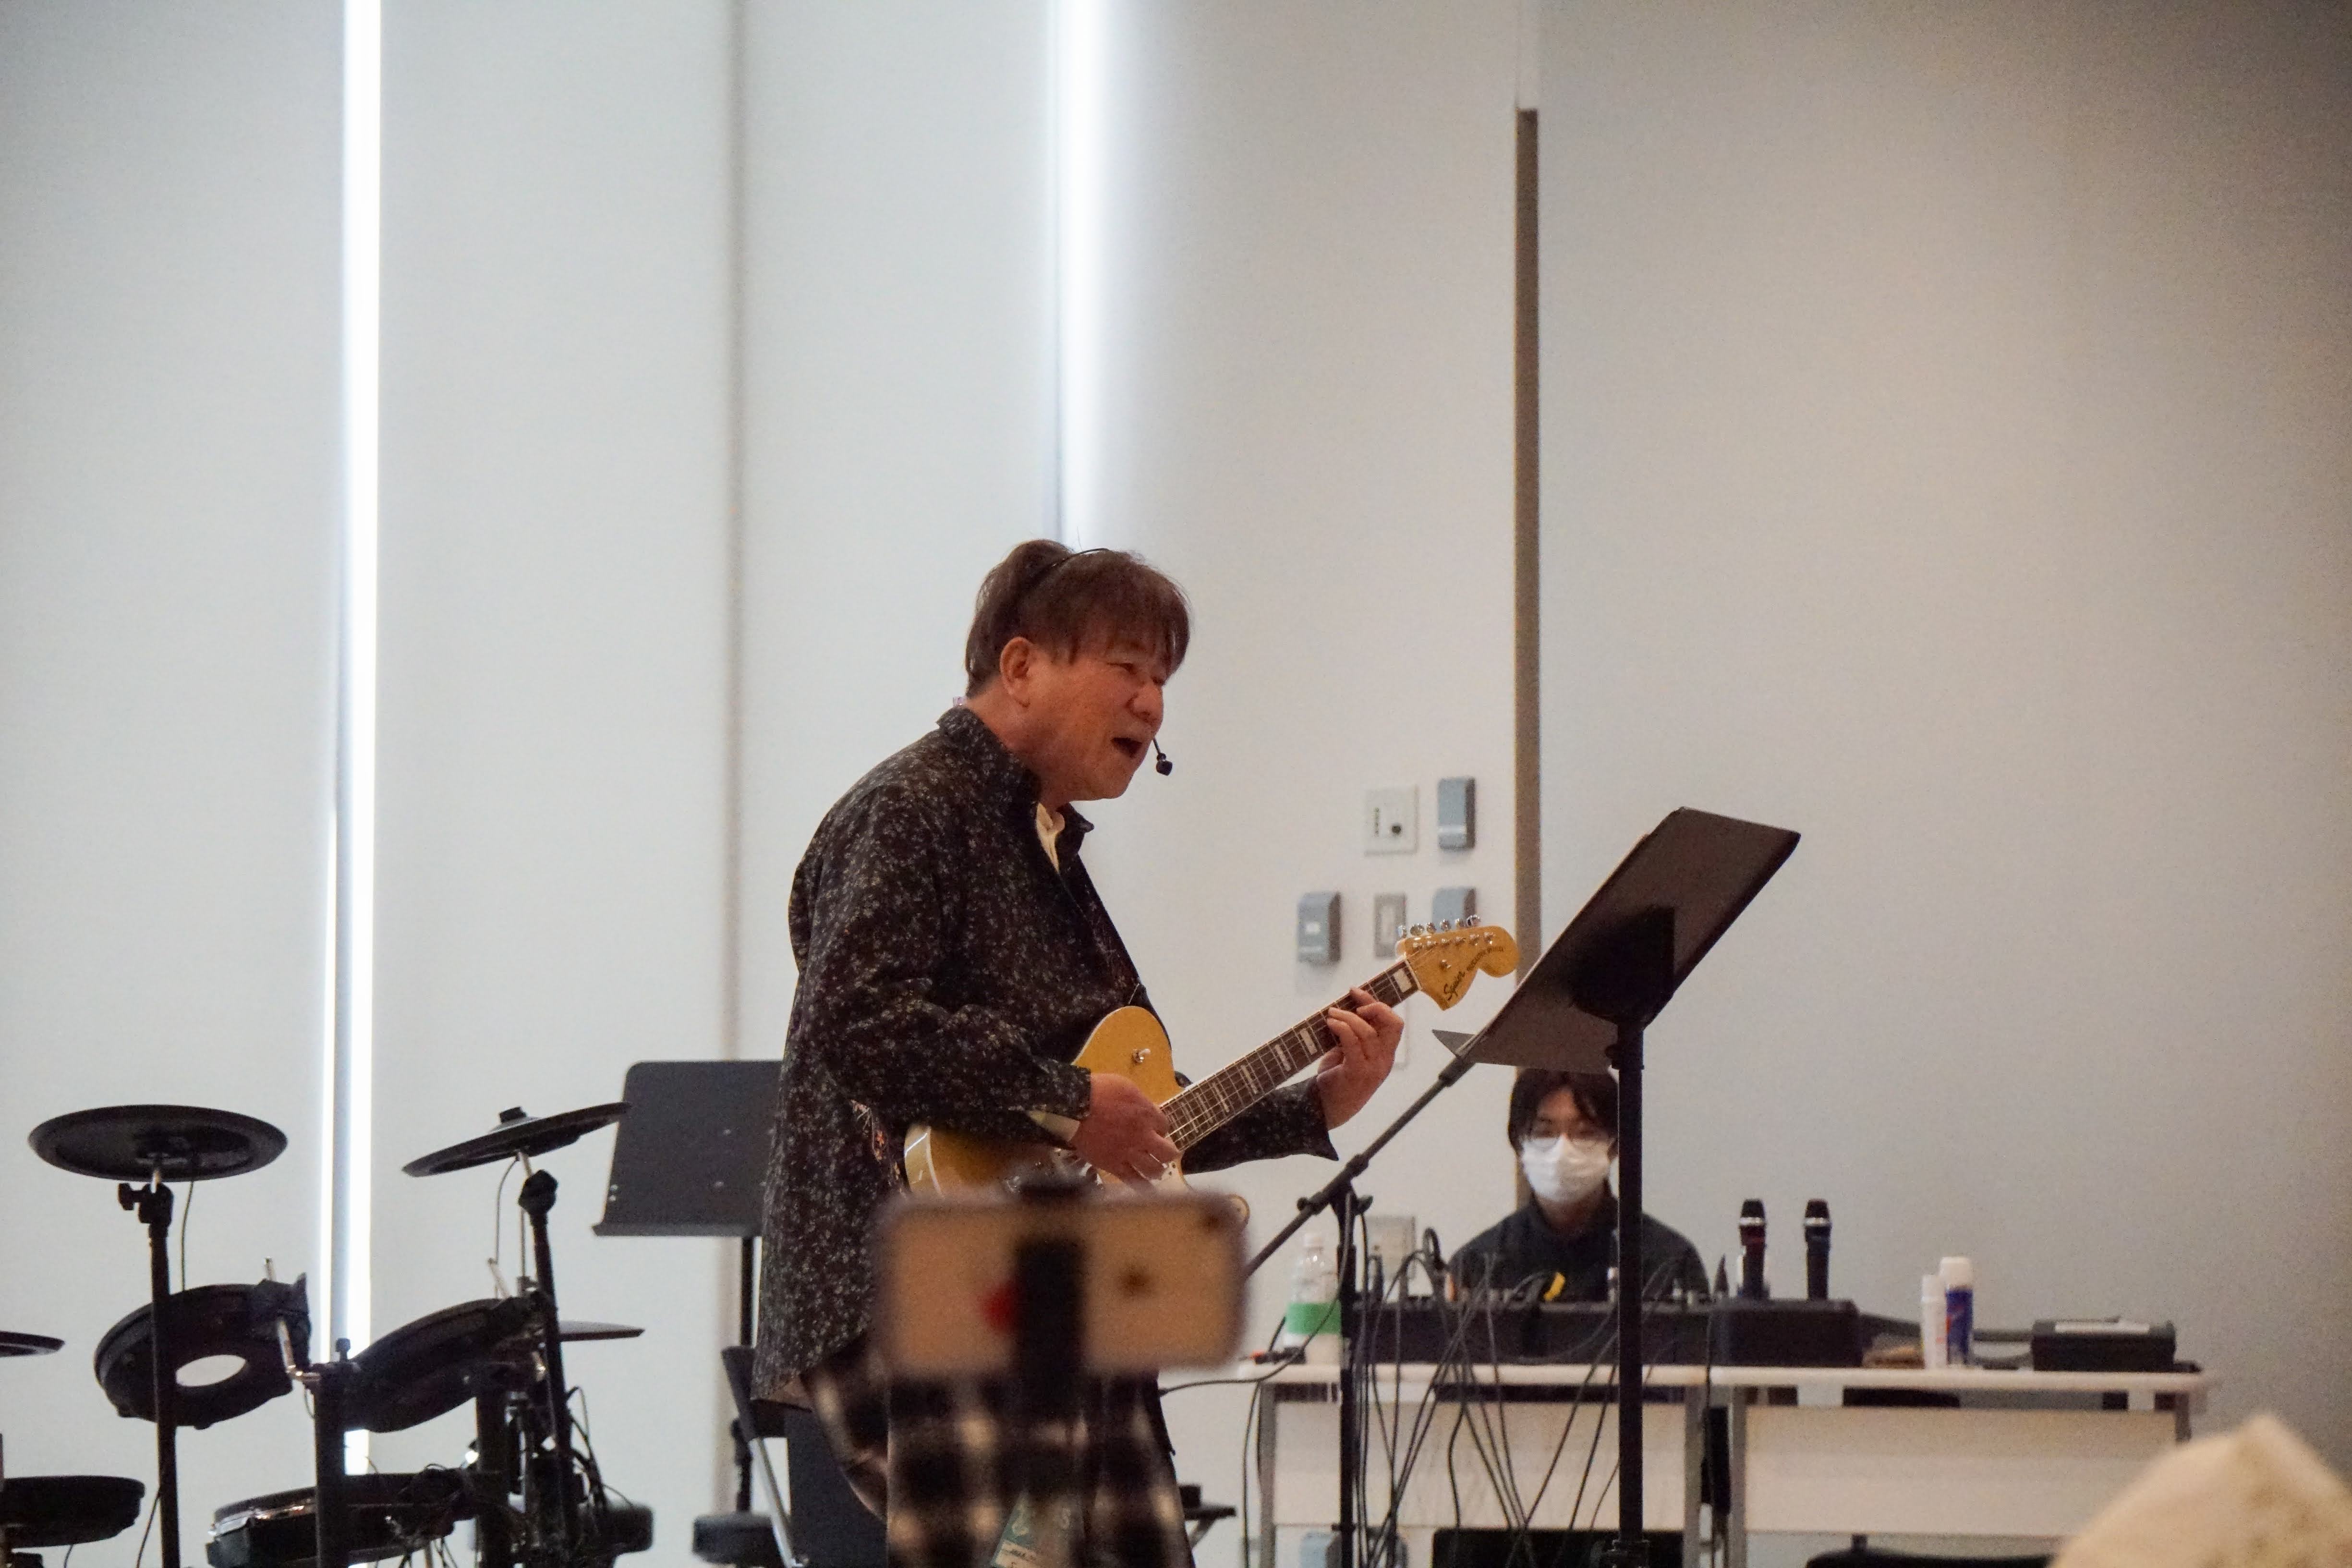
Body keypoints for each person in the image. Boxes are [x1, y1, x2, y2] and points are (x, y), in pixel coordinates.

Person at [753, 539, 1403, 1568]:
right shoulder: (914, 808)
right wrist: (1064, 1101)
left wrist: (1313, 1106)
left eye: (1163, 679)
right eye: (1127, 667)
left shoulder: (1043, 843)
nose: (1152, 703)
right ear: (1020, 667)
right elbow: (857, 1019)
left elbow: (1131, 1116)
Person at [1447, 1067, 1708, 1301]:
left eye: (1585, 1133)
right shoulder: (1478, 1265)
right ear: (1518, 1143)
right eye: (1544, 1133)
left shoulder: (1668, 1260)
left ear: (1615, 1144)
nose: (1563, 1150)